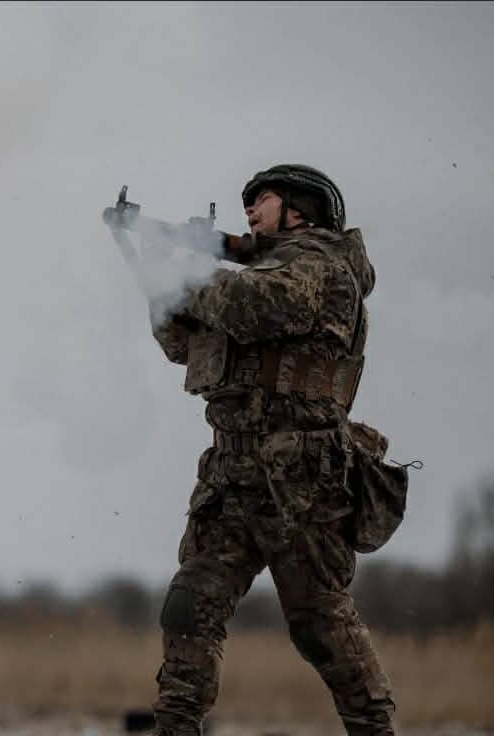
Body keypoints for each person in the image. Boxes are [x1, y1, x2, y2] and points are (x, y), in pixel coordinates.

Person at [148, 164, 398, 735]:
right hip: (232, 472)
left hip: (302, 476)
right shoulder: (254, 274)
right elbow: (181, 345)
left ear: (299, 210)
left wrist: (189, 270)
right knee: (189, 605)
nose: (249, 212)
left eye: (260, 201)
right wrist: (158, 283)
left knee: (319, 624)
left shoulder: (321, 267)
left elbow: (248, 306)